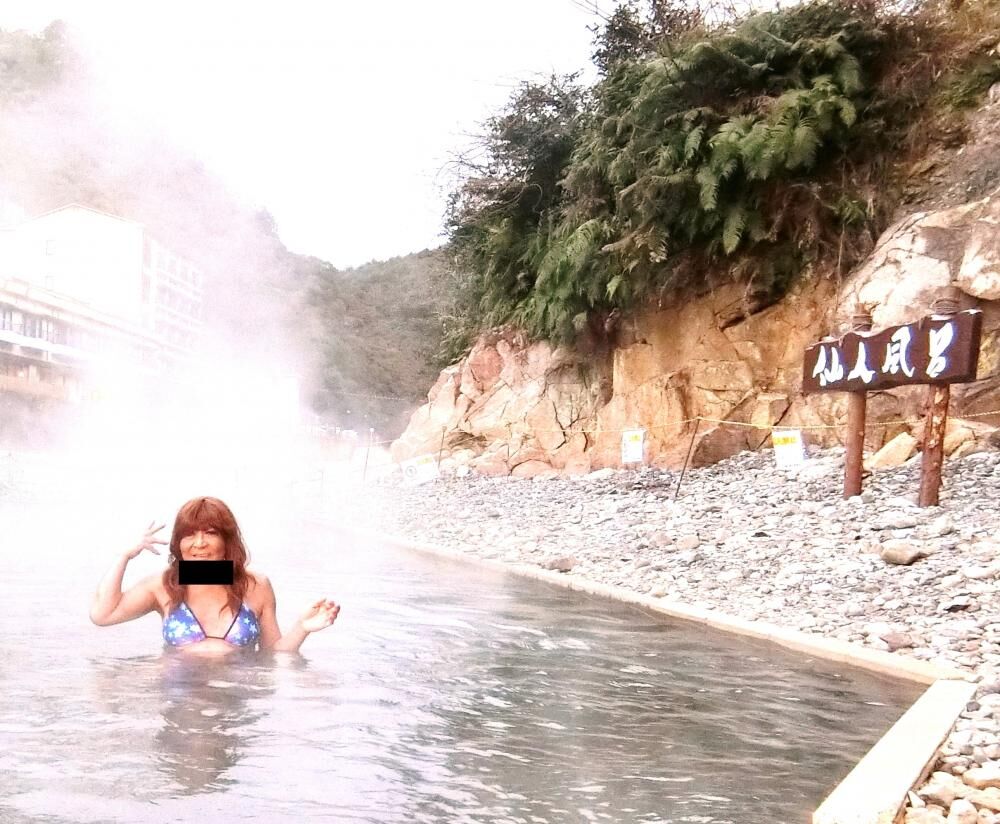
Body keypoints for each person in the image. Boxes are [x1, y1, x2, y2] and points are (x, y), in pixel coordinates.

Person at [90, 496, 339, 654]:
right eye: (189, 534)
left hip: (234, 703)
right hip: (180, 701)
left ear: (227, 540)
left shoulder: (256, 585)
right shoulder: (165, 584)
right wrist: (123, 556)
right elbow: (103, 615)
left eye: (210, 533)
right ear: (178, 542)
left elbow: (272, 656)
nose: (199, 543)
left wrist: (302, 628)